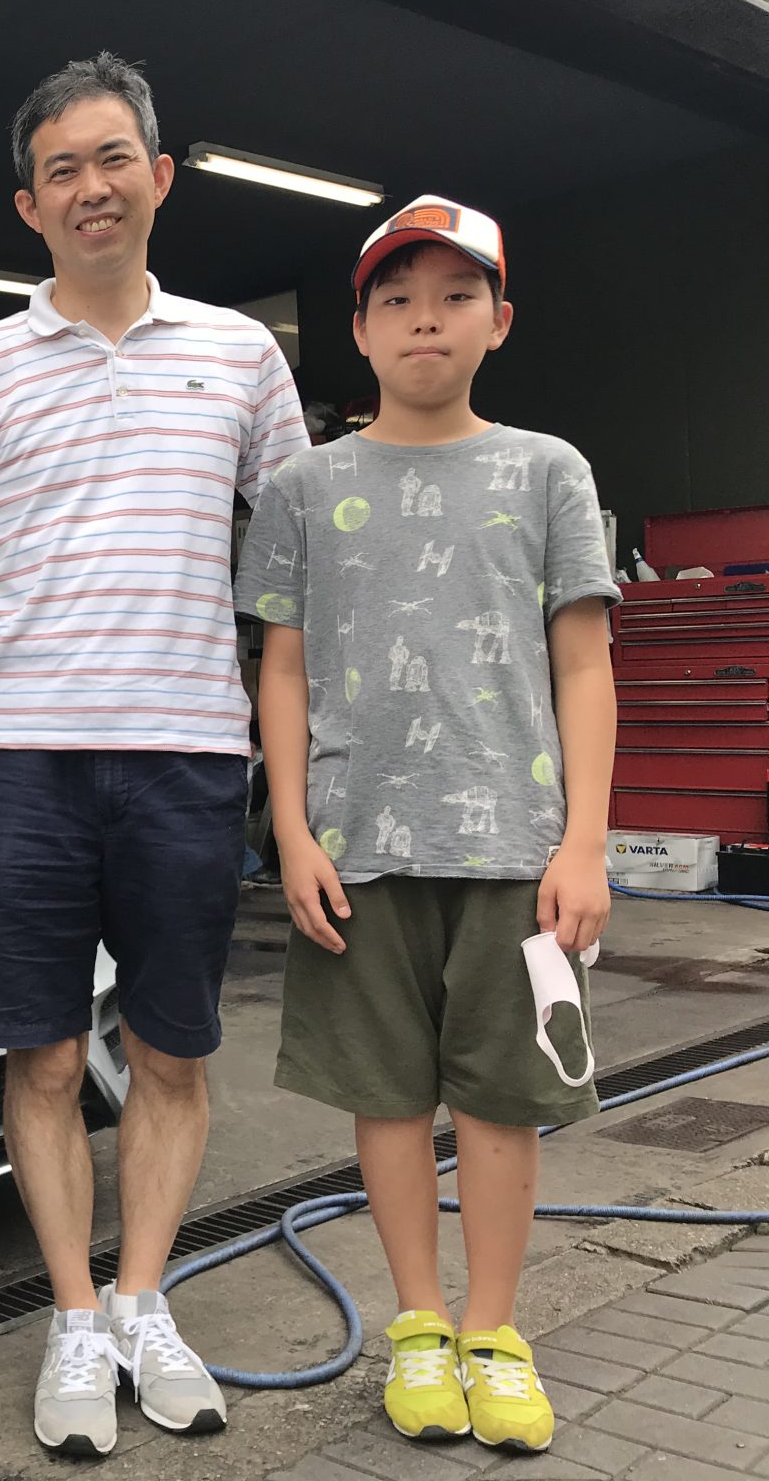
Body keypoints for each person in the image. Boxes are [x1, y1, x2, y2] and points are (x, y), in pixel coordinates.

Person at [0, 52, 306, 1458]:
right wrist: (37, 667)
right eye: (60, 169)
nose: (90, 186)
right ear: (30, 205)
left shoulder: (241, 356)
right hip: (17, 761)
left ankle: (145, 1301)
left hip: (185, 756)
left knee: (171, 1048)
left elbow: (290, 560)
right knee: (40, 1054)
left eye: (112, 158)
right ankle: (73, 1321)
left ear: (160, 175)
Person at [234, 196, 619, 1454]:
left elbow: (583, 664)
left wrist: (583, 843)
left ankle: (492, 1333)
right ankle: (415, 1323)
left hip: (516, 847)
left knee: (503, 1101)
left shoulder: (547, 471)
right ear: (356, 329)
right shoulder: (301, 486)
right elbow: (280, 667)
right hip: (358, 846)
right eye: (395, 300)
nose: (424, 320)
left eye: (455, 296)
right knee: (387, 1096)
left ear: (498, 321)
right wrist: (291, 830)